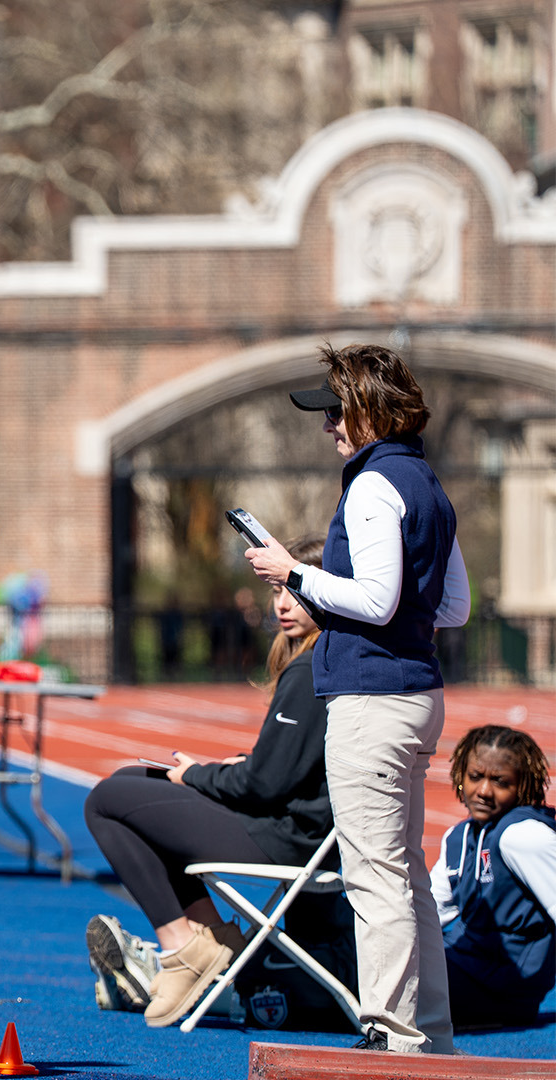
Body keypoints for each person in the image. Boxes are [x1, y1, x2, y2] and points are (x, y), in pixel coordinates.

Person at [245, 343, 469, 1054]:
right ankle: (428, 1034)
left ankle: (394, 1035)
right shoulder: (427, 482)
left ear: (367, 410)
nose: (327, 427)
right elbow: (453, 605)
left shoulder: (371, 485)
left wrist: (292, 571)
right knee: (406, 878)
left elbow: (375, 599)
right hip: (416, 692)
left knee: (375, 879)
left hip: (372, 697)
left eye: (335, 412)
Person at [84, 538, 333, 1028]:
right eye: (277, 591)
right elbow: (282, 768)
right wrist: (209, 773)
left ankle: (183, 947)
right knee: (140, 784)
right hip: (293, 831)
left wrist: (198, 775)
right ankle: (213, 935)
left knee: (106, 800)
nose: (282, 604)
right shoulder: (321, 659)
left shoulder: (311, 666)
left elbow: (265, 784)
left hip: (284, 841)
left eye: (296, 593)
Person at [432, 725, 555, 1028]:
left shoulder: (523, 836)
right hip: (463, 964)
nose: (484, 791)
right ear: (460, 775)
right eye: (475, 777)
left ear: (523, 786)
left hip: (504, 988)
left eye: (500, 782)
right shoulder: (458, 837)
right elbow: (431, 914)